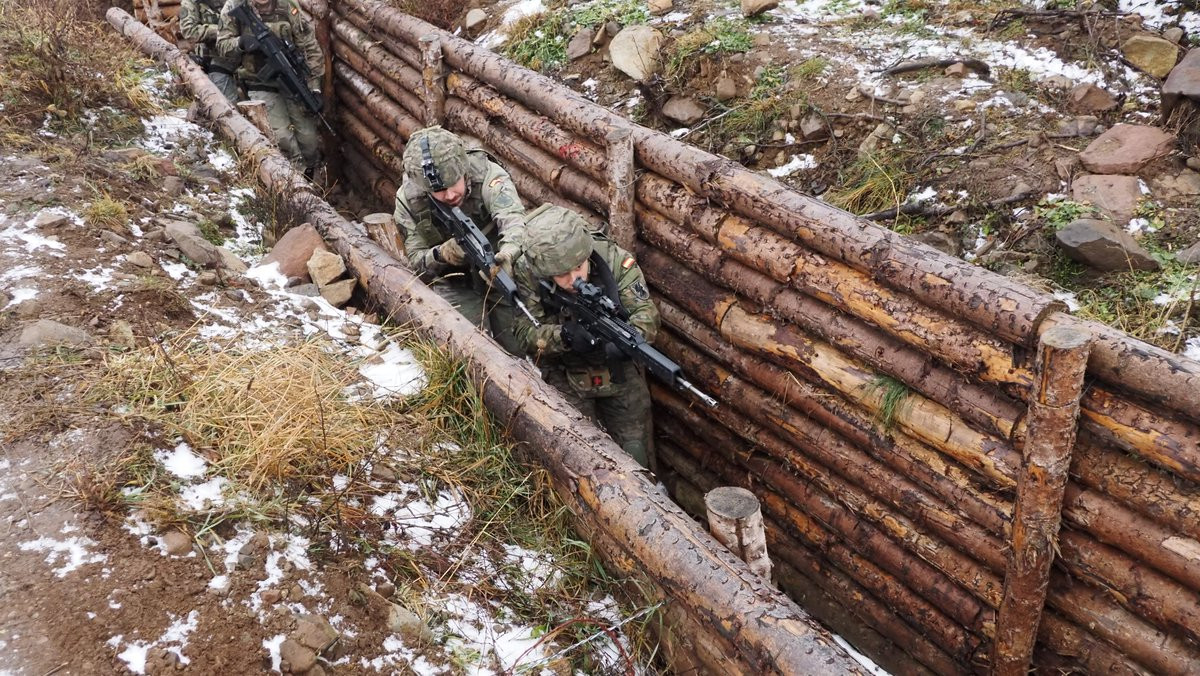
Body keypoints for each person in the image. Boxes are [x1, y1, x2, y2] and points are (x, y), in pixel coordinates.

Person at [509, 204, 659, 468]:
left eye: (578, 267)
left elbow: (647, 314)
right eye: (562, 275)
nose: (573, 279)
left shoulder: (614, 261)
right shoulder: (529, 269)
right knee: (578, 458)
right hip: (564, 373)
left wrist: (627, 338)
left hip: (619, 374)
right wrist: (564, 336)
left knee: (637, 455)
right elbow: (523, 333)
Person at [394, 126, 527, 353]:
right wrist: (441, 254)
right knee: (470, 350)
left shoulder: (489, 176)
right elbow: (415, 261)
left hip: (499, 271)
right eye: (439, 190)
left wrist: (507, 255)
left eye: (453, 183)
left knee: (517, 345)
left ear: (464, 170)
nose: (449, 195)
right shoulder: (409, 200)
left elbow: (515, 221)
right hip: (455, 282)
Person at [216, 0, 323, 173]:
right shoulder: (234, 6)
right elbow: (222, 45)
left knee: (309, 140)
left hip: (292, 81)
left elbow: (309, 46)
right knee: (282, 138)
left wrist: (315, 87)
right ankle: (296, 180)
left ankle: (309, 171)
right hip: (258, 81)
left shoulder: (288, 5)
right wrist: (241, 42)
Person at [179, 0, 240, 104]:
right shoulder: (191, 2)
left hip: (242, 49)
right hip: (215, 56)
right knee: (226, 99)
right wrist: (222, 30)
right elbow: (189, 31)